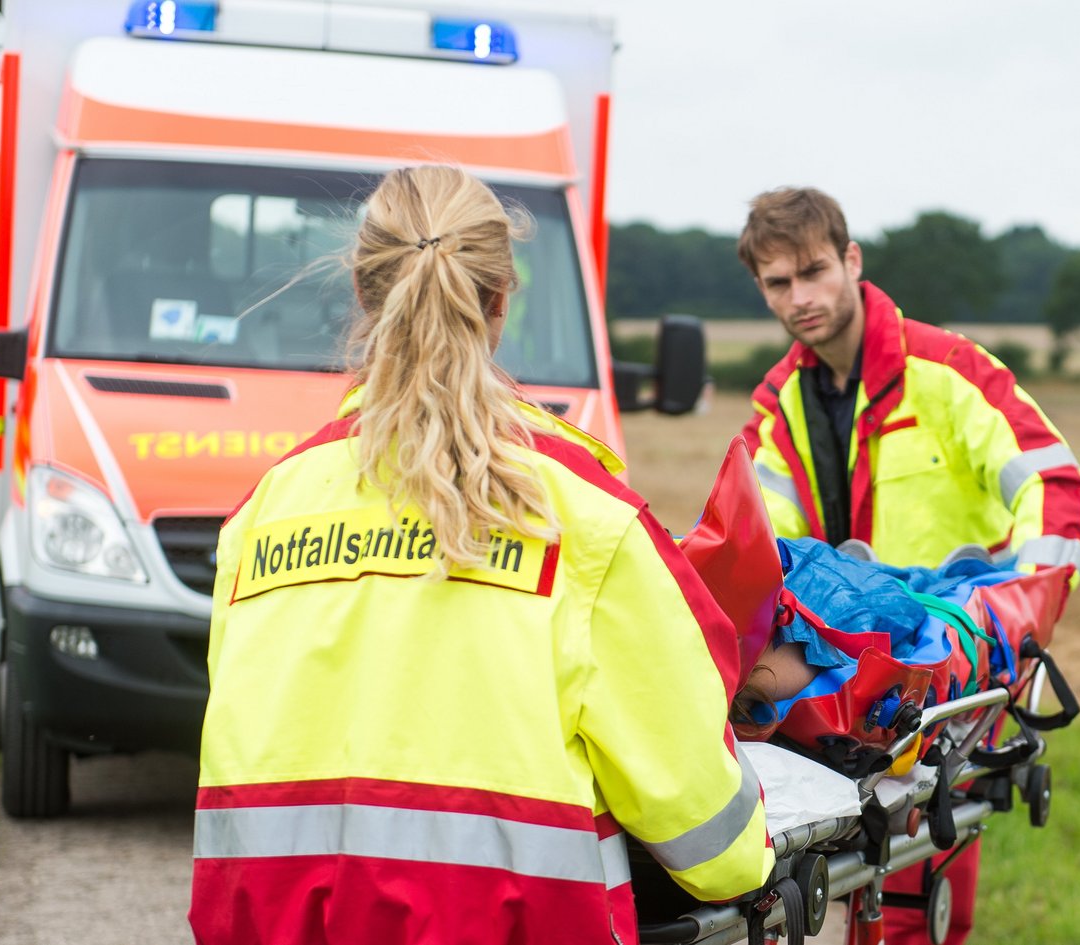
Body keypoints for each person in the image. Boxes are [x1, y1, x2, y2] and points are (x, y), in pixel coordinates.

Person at [189, 165, 773, 945]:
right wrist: (755, 849)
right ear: (501, 302)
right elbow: (708, 833)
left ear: (363, 295)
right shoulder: (586, 520)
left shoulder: (262, 512)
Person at [735, 187, 1080, 945]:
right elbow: (766, 553)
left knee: (914, 902)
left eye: (814, 271)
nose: (801, 297)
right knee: (824, 890)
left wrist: (1020, 620)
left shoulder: (949, 372)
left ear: (852, 261)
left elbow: (1053, 489)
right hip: (841, 683)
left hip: (947, 669)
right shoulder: (777, 408)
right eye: (778, 283)